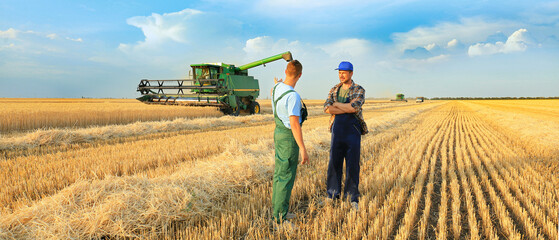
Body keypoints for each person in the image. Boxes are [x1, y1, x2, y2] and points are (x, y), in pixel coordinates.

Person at [323, 61, 368, 210]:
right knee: (334, 163)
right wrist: (346, 108)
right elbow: (326, 108)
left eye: (344, 72)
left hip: (353, 130)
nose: (341, 75)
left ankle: (352, 197)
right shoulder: (334, 89)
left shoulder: (359, 89)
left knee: (352, 164)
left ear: (351, 73)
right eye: (339, 72)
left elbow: (354, 108)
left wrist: (336, 105)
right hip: (337, 130)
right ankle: (332, 195)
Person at [270, 60, 309, 228]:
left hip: (278, 133)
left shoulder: (276, 88)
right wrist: (302, 148)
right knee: (285, 176)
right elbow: (294, 124)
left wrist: (279, 82)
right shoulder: (293, 96)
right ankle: (279, 220)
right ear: (300, 75)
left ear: (286, 71)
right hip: (288, 137)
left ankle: (280, 210)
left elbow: (275, 87)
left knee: (280, 174)